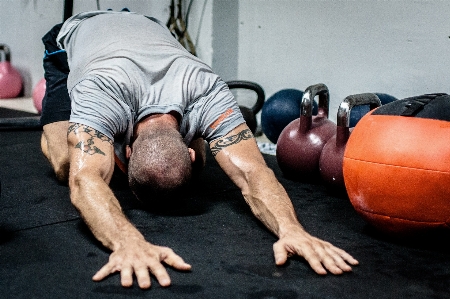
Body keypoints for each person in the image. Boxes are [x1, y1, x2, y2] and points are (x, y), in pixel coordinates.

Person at [40, 10, 358, 290]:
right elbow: (83, 181)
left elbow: (253, 172)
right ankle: (61, 131)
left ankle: (107, 142)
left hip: (146, 27)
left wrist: (292, 231)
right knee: (67, 164)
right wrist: (127, 242)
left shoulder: (206, 89)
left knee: (104, 166)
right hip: (77, 34)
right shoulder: (100, 89)